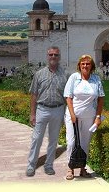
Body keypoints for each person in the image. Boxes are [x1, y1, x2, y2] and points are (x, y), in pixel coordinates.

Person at [26, 46, 68, 177]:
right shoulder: (39, 74)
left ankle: (48, 165)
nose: (53, 57)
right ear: (47, 56)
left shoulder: (65, 74)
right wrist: (32, 113)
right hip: (42, 109)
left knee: (53, 140)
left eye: (56, 55)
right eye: (51, 55)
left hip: (58, 109)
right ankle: (31, 165)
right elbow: (34, 94)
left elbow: (68, 96)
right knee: (36, 138)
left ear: (59, 57)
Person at [64, 54, 105, 180]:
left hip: (89, 117)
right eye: (83, 64)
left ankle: (82, 168)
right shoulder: (74, 78)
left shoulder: (96, 79)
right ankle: (70, 168)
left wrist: (98, 117)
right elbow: (68, 97)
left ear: (91, 66)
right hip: (73, 116)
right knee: (71, 142)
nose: (85, 66)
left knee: (84, 143)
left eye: (87, 64)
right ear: (79, 65)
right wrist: (72, 114)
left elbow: (101, 98)